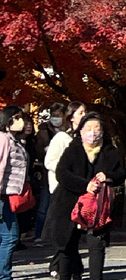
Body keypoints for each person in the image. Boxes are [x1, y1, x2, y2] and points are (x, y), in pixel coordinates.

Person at [43, 112, 126, 280]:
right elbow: (62, 173)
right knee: (66, 243)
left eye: (97, 129)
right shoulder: (73, 149)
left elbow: (122, 173)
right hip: (68, 201)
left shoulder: (109, 151)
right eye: (88, 129)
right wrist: (84, 185)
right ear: (80, 131)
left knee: (97, 244)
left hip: (98, 206)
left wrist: (109, 176)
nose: (93, 133)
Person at [43, 101, 87, 280]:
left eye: (85, 112)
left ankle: (73, 267)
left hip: (81, 189)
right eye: (81, 113)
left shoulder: (85, 138)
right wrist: (66, 172)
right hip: (62, 189)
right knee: (64, 229)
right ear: (72, 116)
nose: (84, 116)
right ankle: (60, 267)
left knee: (76, 230)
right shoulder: (62, 138)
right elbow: (49, 161)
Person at [0, 105, 30, 280]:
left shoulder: (15, 140)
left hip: (10, 194)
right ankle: (4, 277)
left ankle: (4, 276)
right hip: (2, 195)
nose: (21, 121)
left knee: (6, 236)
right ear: (8, 120)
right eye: (17, 117)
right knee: (10, 236)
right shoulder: (4, 139)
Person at [33, 102, 68, 244]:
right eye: (53, 115)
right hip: (48, 174)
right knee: (44, 205)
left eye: (58, 115)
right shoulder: (43, 131)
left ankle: (60, 234)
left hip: (65, 173)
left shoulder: (69, 131)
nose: (55, 118)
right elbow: (38, 151)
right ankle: (39, 234)